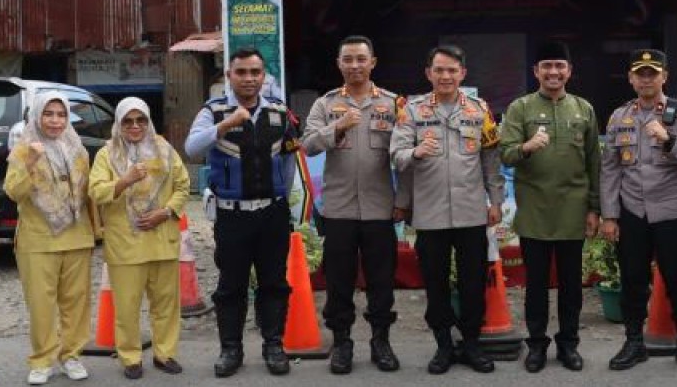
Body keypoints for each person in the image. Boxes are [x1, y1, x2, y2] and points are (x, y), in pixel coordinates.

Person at [185, 48, 303, 378]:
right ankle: (230, 349)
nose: (249, 78)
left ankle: (274, 345)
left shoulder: (280, 112)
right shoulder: (213, 110)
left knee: (274, 283)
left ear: (263, 76)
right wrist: (225, 125)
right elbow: (192, 148)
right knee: (231, 285)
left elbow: (290, 160)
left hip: (272, 215)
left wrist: (281, 197)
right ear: (229, 76)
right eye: (241, 72)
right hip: (232, 216)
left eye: (255, 72)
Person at [390, 44, 505, 375]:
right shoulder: (411, 111)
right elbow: (395, 156)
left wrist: (495, 201)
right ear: (429, 74)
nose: (445, 76)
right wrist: (416, 151)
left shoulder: (479, 110)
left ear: (463, 74)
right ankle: (443, 344)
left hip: (471, 212)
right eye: (439, 70)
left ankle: (471, 344)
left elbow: (490, 161)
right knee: (435, 283)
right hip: (430, 213)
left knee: (473, 282)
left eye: (452, 70)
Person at [600, 49, 677, 373]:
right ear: (632, 78)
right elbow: (609, 169)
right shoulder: (619, 117)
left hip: (674, 211)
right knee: (632, 280)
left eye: (653, 73)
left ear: (664, 77)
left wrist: (670, 140)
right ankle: (634, 342)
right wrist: (609, 215)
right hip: (632, 210)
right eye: (641, 73)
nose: (647, 79)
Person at [302, 36, 407, 375]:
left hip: (380, 210)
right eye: (348, 59)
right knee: (339, 281)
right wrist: (337, 126)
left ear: (373, 62)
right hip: (338, 211)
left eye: (361, 59)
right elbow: (308, 145)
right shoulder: (325, 104)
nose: (355, 65)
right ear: (339, 64)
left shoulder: (393, 104)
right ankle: (343, 343)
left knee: (381, 281)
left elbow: (405, 156)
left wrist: (403, 202)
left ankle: (381, 341)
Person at [499, 41, 601, 373]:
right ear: (536, 72)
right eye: (547, 66)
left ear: (569, 71)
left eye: (559, 65)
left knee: (572, 285)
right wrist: (527, 146)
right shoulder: (520, 108)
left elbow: (594, 163)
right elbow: (506, 154)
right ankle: (537, 345)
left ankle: (569, 345)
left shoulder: (583, 109)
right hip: (535, 211)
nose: (553, 72)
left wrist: (594, 209)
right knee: (538, 285)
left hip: (573, 209)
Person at [89, 98, 190, 380]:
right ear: (119, 124)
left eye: (141, 120)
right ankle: (130, 357)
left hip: (162, 240)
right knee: (127, 307)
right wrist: (125, 180)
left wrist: (167, 211)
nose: (135, 126)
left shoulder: (165, 149)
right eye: (128, 121)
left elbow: (183, 186)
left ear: (148, 121)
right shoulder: (107, 154)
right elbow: (95, 192)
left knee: (166, 305)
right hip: (125, 244)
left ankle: (165, 353)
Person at [4, 92, 96, 385]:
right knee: (41, 304)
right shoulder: (22, 149)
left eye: (61, 114)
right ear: (37, 116)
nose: (55, 121)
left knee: (76, 302)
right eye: (49, 114)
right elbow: (13, 192)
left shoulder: (78, 149)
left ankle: (71, 355)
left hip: (77, 236)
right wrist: (31, 161)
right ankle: (42, 359)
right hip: (38, 239)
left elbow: (88, 194)